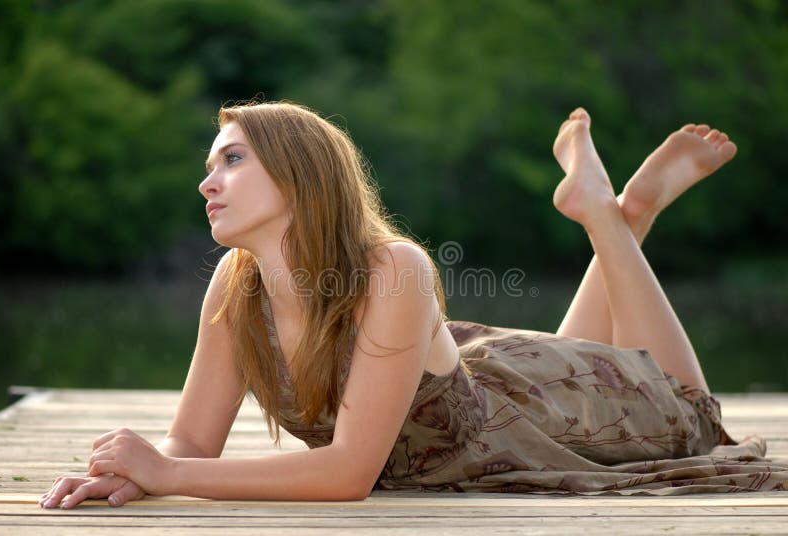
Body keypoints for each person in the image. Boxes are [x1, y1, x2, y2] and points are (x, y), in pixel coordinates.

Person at [39, 102, 786, 510]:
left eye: (233, 160)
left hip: (517, 418)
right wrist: (135, 471)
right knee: (590, 367)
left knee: (690, 414)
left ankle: (610, 215)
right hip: (485, 392)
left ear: (301, 178)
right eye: (209, 167)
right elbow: (190, 446)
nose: (209, 183)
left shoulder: (392, 268)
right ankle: (616, 213)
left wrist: (167, 476)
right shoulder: (236, 287)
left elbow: (346, 475)